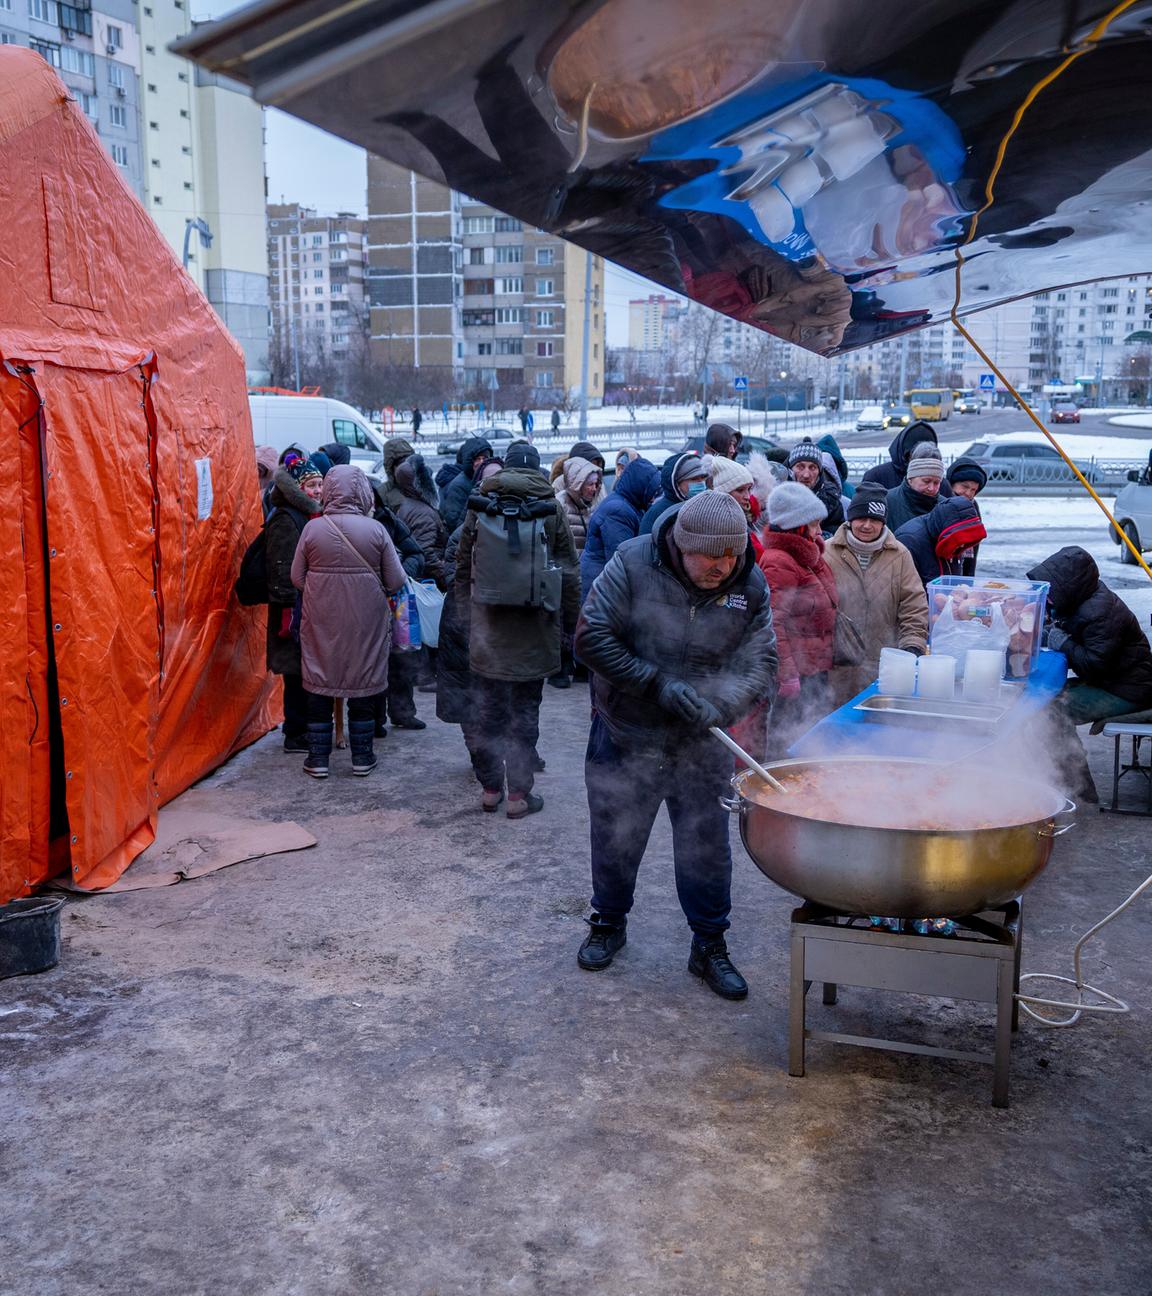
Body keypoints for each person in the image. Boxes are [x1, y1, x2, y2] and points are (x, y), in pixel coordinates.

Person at [574, 491, 778, 999]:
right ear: (683, 545)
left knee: (706, 847)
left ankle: (709, 944)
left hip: (702, 742)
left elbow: (761, 662)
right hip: (627, 731)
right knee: (616, 835)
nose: (722, 566)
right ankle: (608, 922)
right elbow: (591, 637)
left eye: (731, 554)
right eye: (710, 556)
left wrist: (724, 705)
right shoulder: (633, 562)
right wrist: (656, 684)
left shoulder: (749, 583)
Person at [454, 441, 580, 818]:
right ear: (536, 469)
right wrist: (570, 626)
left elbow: (462, 568)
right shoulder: (551, 508)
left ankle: (490, 789)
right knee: (524, 715)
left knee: (488, 712)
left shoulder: (480, 505)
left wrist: (467, 619)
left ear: (506, 468)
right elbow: (569, 574)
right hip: (536, 631)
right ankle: (518, 796)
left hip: (488, 630)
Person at [291, 465, 406, 779]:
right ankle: (362, 757)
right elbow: (396, 580)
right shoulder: (376, 530)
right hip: (365, 621)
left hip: (320, 620)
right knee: (363, 681)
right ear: (362, 492)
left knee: (319, 680)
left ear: (329, 491)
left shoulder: (312, 529)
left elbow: (296, 577)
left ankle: (318, 759)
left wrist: (321, 590)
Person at [1026, 546, 1152, 800]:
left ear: (1069, 587)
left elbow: (1094, 665)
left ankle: (1077, 786)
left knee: (1051, 711)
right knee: (1041, 696)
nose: (1048, 597)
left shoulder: (1101, 613)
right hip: (1113, 680)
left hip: (1129, 688)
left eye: (1052, 591)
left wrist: (1063, 642)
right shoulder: (1080, 599)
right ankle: (1054, 775)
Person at [823, 485, 929, 705]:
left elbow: (914, 607)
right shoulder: (826, 552)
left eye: (874, 520)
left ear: (883, 522)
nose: (867, 525)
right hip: (835, 669)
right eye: (861, 518)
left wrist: (912, 646)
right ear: (851, 518)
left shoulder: (900, 555)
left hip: (883, 668)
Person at [437, 458, 505, 786]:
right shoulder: (515, 528)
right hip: (479, 626)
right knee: (483, 698)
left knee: (477, 700)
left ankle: (486, 768)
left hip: (468, 622)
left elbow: (450, 576)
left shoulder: (466, 529)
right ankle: (487, 762)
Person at [758, 482, 838, 754]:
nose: (819, 531)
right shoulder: (778, 561)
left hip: (814, 668)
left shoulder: (808, 555)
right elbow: (773, 623)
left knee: (811, 737)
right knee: (790, 741)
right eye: (814, 524)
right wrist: (787, 674)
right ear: (797, 525)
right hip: (796, 676)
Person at [264, 458, 322, 750]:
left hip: (303, 606)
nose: (318, 490)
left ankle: (303, 728)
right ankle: (295, 732)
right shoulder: (287, 518)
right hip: (290, 610)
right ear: (298, 488)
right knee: (295, 672)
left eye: (320, 484)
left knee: (303, 670)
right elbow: (282, 569)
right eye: (311, 485)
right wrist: (292, 609)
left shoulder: (308, 514)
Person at [370, 485, 428, 732]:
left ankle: (403, 712)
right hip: (366, 601)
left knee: (401, 656)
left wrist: (400, 575)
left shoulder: (389, 520)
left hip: (396, 600)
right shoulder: (347, 526)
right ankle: (374, 719)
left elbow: (416, 554)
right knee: (372, 660)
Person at [549, 456, 603, 688]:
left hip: (583, 572)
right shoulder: (560, 503)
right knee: (562, 620)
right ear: (577, 482)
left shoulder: (590, 506)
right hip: (564, 571)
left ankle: (580, 665)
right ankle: (560, 667)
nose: (594, 488)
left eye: (596, 484)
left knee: (582, 619)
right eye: (590, 484)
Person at [580, 456, 660, 602]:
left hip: (602, 584)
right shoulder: (618, 511)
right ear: (640, 487)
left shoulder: (628, 504)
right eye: (650, 491)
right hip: (601, 590)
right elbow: (623, 559)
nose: (652, 498)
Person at [894, 495, 988, 587]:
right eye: (959, 540)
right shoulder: (910, 540)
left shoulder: (948, 533)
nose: (962, 545)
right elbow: (903, 588)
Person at [393, 453, 448, 589]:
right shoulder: (423, 513)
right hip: (428, 582)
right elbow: (426, 553)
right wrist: (446, 576)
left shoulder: (407, 505)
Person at [859, 420, 953, 494]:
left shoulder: (942, 485)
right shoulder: (877, 477)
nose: (931, 488)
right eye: (926, 481)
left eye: (928, 458)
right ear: (905, 456)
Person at [638, 450, 711, 535]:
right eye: (693, 479)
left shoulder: (709, 506)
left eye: (703, 477)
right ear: (676, 484)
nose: (701, 483)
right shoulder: (657, 512)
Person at [785, 438, 845, 534]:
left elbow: (836, 533)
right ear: (790, 469)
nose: (806, 475)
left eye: (812, 467)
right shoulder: (777, 496)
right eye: (800, 467)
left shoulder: (831, 499)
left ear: (819, 472)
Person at [884, 443, 944, 532]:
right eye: (926, 481)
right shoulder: (887, 501)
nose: (931, 488)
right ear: (910, 478)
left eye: (936, 483)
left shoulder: (945, 507)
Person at [440, 435, 492, 533]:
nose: (481, 462)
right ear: (470, 461)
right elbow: (453, 520)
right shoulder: (458, 485)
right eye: (477, 459)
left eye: (485, 458)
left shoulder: (488, 479)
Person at [945, 456, 988, 576]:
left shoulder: (972, 506)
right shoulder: (942, 504)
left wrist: (969, 578)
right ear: (952, 483)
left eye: (973, 490)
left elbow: (973, 547)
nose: (968, 493)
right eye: (965, 486)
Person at [377, 436, 416, 512]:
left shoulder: (422, 488)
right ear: (392, 467)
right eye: (402, 464)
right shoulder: (382, 493)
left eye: (410, 462)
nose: (407, 467)